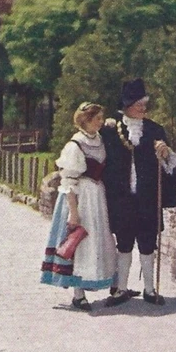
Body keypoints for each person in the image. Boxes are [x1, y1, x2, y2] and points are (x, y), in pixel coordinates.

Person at [101, 79, 176, 306]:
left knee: (147, 243)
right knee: (123, 243)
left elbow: (168, 166)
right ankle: (121, 289)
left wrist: (165, 154)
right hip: (122, 198)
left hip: (147, 198)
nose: (143, 108)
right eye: (138, 104)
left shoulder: (155, 129)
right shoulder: (111, 129)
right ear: (126, 106)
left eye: (144, 104)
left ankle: (149, 289)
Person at [40, 103, 117, 310]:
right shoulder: (75, 145)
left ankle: (106, 283)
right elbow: (68, 182)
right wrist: (73, 213)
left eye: (102, 118)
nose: (101, 122)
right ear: (86, 120)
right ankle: (78, 294)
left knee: (96, 241)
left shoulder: (99, 139)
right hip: (80, 197)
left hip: (97, 196)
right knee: (79, 243)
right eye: (97, 118)